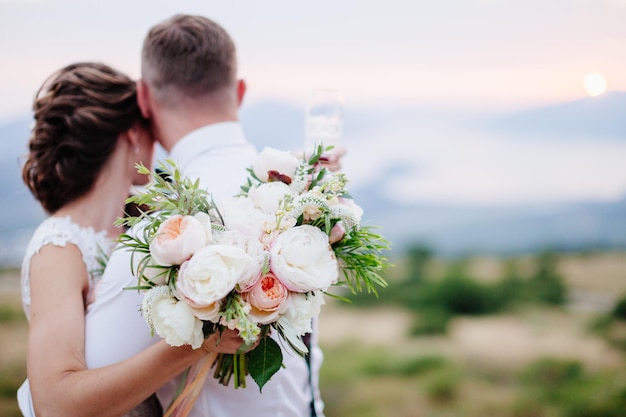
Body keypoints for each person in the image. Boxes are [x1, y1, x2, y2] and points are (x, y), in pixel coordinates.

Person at [84, 14, 344, 417]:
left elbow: (87, 388)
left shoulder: (160, 238)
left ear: (144, 99)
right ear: (239, 92)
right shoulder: (302, 202)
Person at [17, 62, 252, 417]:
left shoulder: (147, 221)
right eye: (149, 125)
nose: (159, 140)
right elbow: (54, 403)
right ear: (131, 133)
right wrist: (196, 345)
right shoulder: (59, 248)